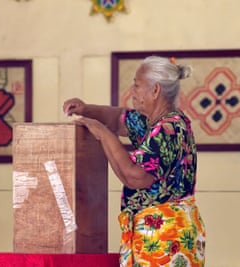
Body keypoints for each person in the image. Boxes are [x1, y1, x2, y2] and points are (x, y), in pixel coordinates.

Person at [63, 56, 206, 266]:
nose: (132, 91)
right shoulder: (154, 122)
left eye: (137, 85)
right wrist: (86, 109)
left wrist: (102, 134)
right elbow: (119, 118)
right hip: (160, 233)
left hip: (166, 237)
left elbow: (135, 176)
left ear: (155, 90)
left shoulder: (168, 129)